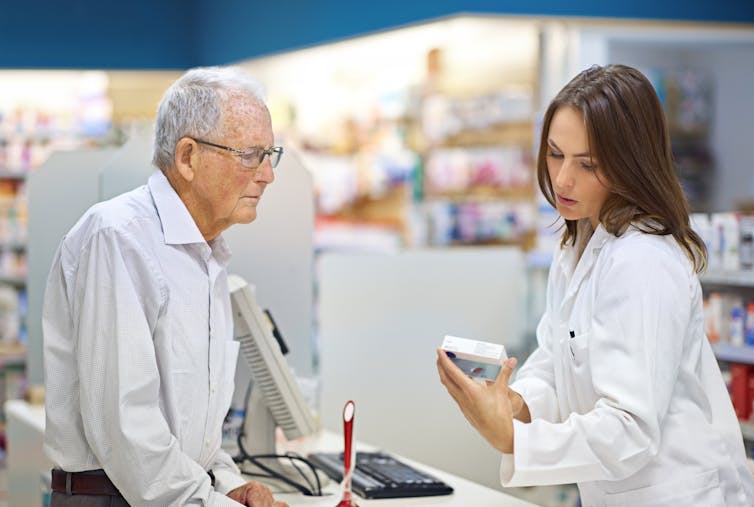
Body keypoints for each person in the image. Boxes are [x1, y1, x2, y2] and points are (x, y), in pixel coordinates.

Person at [437, 64, 754, 506]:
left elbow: (630, 427)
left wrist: (514, 439)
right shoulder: (578, 244)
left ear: (630, 164)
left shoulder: (643, 259)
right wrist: (515, 404)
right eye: (554, 153)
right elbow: (554, 362)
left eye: (587, 164)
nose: (563, 179)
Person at [43, 66, 289, 506]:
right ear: (188, 157)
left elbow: (191, 426)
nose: (267, 174)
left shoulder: (206, 255)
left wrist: (228, 482)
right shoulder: (118, 237)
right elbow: (125, 430)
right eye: (251, 154)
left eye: (271, 153)